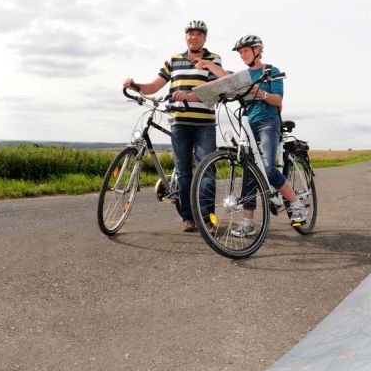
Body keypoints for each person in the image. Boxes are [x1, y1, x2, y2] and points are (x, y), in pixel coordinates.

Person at [198, 34, 307, 236]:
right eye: (240, 52)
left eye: (246, 51)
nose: (243, 55)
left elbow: (277, 100)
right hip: (248, 124)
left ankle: (296, 204)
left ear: (258, 50)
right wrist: (208, 64)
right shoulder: (243, 77)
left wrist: (261, 93)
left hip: (268, 122)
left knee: (268, 169)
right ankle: (248, 223)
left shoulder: (270, 71)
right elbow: (225, 77)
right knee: (249, 171)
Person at [123, 20, 220, 233]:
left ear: (205, 38)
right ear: (186, 37)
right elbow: (154, 86)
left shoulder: (213, 59)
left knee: (206, 171)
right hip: (179, 123)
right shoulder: (174, 60)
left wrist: (189, 95)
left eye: (198, 34)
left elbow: (215, 89)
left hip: (204, 124)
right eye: (190, 33)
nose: (194, 37)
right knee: (184, 172)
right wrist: (135, 85)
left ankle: (208, 219)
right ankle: (188, 218)